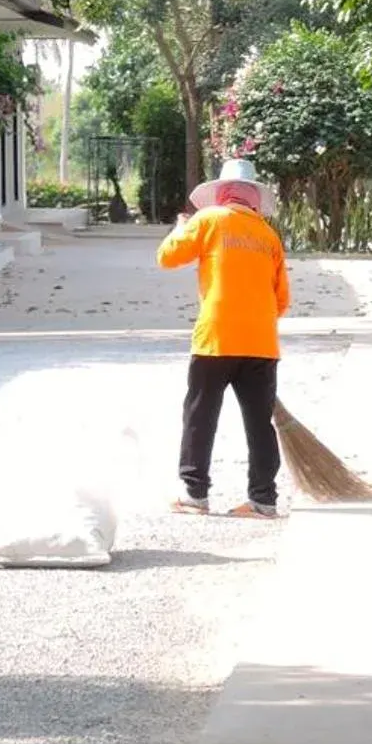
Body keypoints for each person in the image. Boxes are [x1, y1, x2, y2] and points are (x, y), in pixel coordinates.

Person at [158, 158, 290, 517]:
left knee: (200, 415)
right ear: (254, 198)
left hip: (216, 337)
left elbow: (167, 257)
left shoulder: (208, 220)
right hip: (262, 343)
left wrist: (180, 227)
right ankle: (263, 499)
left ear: (222, 192)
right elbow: (281, 300)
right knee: (259, 423)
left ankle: (194, 494)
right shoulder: (269, 236)